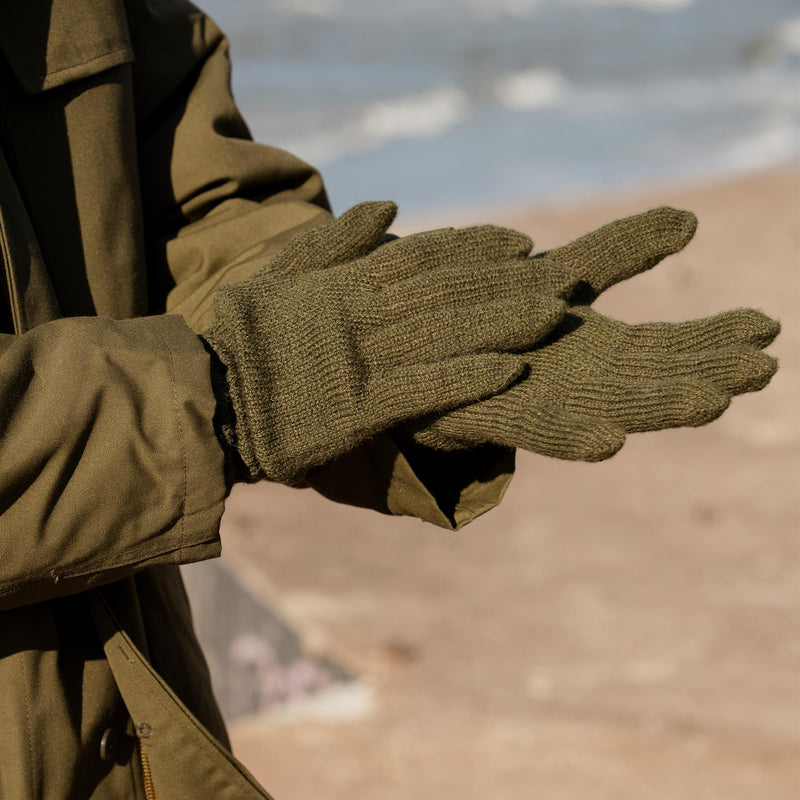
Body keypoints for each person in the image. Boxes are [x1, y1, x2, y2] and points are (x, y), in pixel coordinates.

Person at [0, 1, 779, 798]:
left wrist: (395, 342)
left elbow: (188, 200)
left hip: (142, 724)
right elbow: (238, 370)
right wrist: (238, 386)